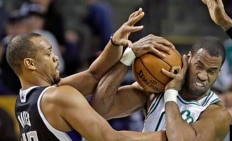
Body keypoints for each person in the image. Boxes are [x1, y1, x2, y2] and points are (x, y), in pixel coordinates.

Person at [8, 8, 171, 141]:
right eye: (48, 53)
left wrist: (115, 43)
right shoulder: (58, 97)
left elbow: (93, 75)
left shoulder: (25, 101)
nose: (55, 57)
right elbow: (111, 139)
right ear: (30, 63)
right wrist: (169, 136)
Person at [90, 36, 232, 140]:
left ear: (219, 73)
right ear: (188, 59)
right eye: (199, 66)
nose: (202, 76)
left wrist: (170, 93)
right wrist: (129, 56)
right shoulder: (156, 88)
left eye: (211, 71)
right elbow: (100, 109)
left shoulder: (218, 115)